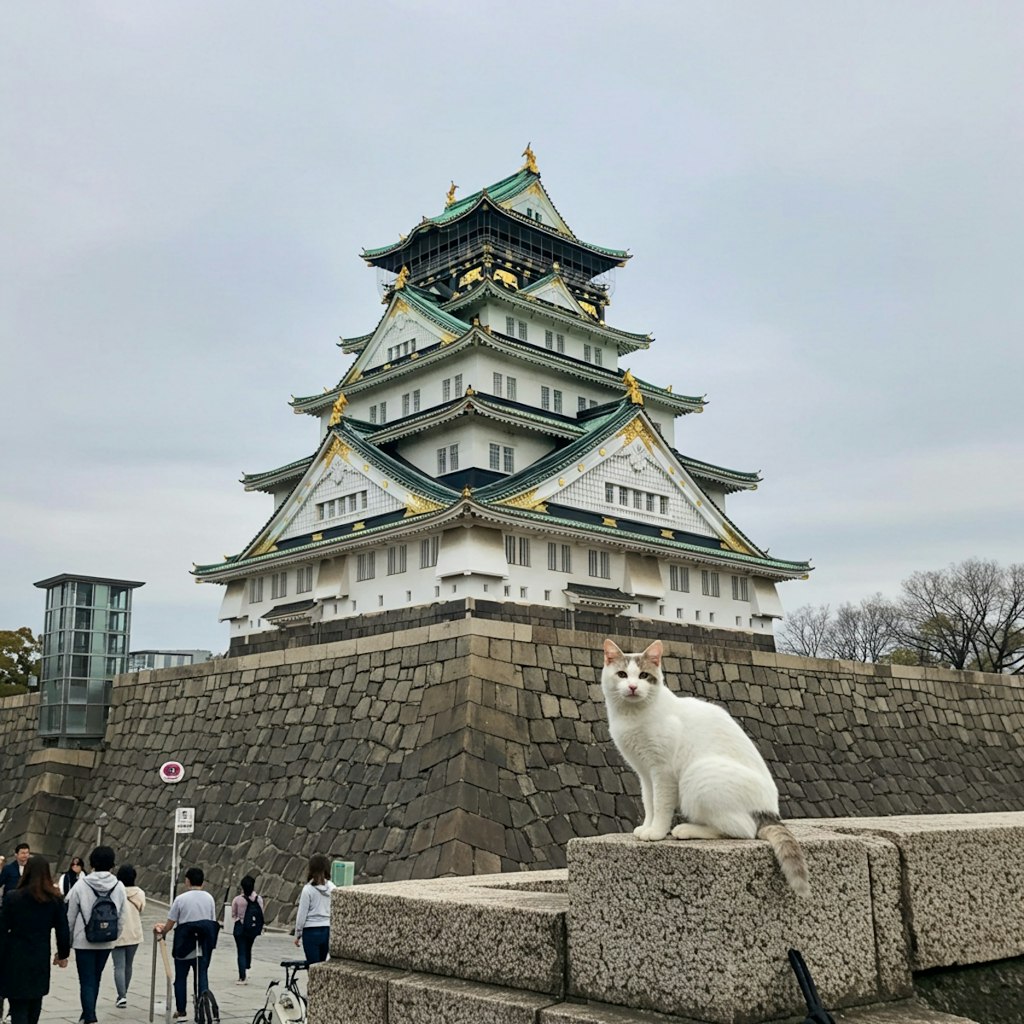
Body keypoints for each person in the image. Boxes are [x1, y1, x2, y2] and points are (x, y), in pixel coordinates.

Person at [0, 855, 71, 1024]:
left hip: (15, 955)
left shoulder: (13, 897)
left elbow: (2, 930)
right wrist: (62, 954)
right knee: (35, 1000)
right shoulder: (54, 899)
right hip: (40, 955)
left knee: (18, 1005)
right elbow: (63, 929)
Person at [65, 846, 127, 1024]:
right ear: (112, 864)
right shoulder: (118, 885)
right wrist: (114, 935)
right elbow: (122, 916)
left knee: (86, 980)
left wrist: (67, 942)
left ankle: (89, 1016)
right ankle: (88, 1013)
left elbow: (70, 916)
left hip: (83, 940)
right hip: (106, 940)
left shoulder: (81, 885)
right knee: (96, 977)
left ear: (92, 863)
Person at [154, 867, 218, 1022]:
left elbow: (171, 923)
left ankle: (181, 1011)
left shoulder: (181, 899)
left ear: (187, 881)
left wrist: (162, 932)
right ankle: (203, 1008)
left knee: (181, 978)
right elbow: (212, 921)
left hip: (184, 945)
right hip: (202, 945)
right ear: (203, 881)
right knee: (202, 975)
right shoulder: (209, 898)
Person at [112, 864, 145, 1009]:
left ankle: (121, 996)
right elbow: (142, 908)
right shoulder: (139, 893)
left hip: (117, 933)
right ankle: (124, 992)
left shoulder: (114, 891)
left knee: (118, 966)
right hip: (134, 932)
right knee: (128, 965)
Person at [294, 854, 334, 964]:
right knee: (321, 965)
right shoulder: (332, 888)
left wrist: (298, 934)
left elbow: (302, 914)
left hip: (311, 931)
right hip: (327, 929)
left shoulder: (307, 890)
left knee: (312, 966)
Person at [231, 874, 265, 985]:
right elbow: (261, 913)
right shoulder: (258, 899)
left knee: (241, 951)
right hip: (253, 928)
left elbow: (233, 914)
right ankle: (246, 965)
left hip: (240, 927)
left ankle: (242, 976)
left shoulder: (237, 900)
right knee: (248, 948)